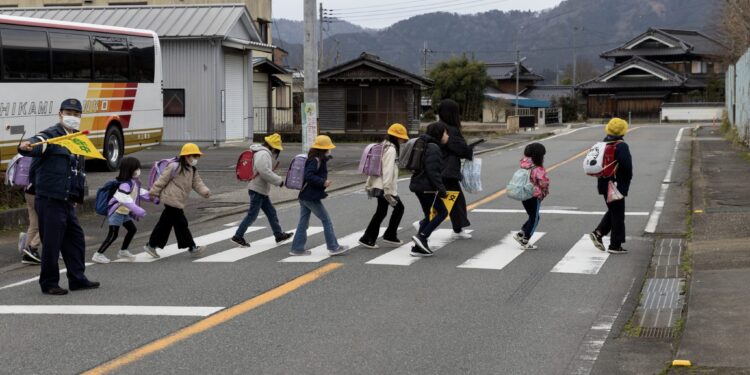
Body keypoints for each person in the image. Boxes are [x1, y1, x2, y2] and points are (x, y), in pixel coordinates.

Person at [17, 98, 99, 295]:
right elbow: (37, 145)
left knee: (76, 239)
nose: (72, 116)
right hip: (49, 198)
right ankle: (49, 283)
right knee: (52, 242)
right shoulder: (51, 135)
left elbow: (77, 171)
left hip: (67, 200)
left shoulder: (78, 139)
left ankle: (77, 279)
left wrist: (77, 196)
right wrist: (27, 146)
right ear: (60, 114)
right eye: (68, 112)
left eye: (76, 114)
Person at [144, 143, 211, 258]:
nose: (195, 159)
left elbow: (197, 183)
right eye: (194, 156)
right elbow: (162, 181)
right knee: (181, 224)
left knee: (165, 225)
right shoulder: (174, 166)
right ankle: (192, 247)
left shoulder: (192, 170)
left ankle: (151, 245)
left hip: (178, 201)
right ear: (186, 156)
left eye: (197, 156)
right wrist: (153, 192)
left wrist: (205, 191)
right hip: (171, 199)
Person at [289, 135, 349, 256]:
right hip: (310, 196)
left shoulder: (316, 159)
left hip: (304, 195)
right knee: (326, 220)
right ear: (323, 149)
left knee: (303, 222)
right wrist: (323, 182)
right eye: (328, 148)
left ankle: (297, 248)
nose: (330, 150)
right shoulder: (315, 160)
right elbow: (308, 176)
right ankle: (333, 247)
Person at [231, 133, 293, 247]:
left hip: (260, 189)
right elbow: (264, 171)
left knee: (271, 212)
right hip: (257, 189)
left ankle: (279, 235)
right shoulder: (263, 153)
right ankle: (238, 236)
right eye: (277, 149)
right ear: (273, 146)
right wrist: (279, 181)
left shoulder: (261, 152)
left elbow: (264, 171)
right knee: (252, 215)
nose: (276, 151)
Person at [358, 123, 410, 248]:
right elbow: (387, 170)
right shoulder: (391, 149)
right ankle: (388, 235)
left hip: (378, 185)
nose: (403, 140)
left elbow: (375, 167)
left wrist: (369, 184)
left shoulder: (382, 146)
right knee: (399, 208)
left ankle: (369, 237)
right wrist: (387, 190)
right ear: (397, 137)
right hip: (385, 188)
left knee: (381, 212)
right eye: (402, 138)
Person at [92, 157, 150, 264]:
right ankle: (98, 254)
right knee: (113, 235)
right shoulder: (124, 184)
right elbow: (125, 199)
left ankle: (123, 251)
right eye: (136, 168)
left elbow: (139, 193)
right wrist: (138, 210)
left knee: (132, 230)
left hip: (124, 212)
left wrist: (153, 196)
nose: (139, 170)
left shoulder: (133, 182)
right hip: (116, 212)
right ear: (130, 169)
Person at [590, 118, 633, 254]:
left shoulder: (603, 143)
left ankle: (599, 232)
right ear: (623, 131)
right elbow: (627, 167)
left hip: (603, 182)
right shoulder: (621, 146)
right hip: (615, 185)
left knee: (614, 211)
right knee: (618, 214)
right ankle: (615, 245)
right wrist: (625, 184)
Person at [409, 122, 450, 257]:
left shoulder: (424, 143)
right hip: (427, 187)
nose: (447, 136)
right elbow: (433, 172)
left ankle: (418, 247)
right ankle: (422, 236)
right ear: (439, 134)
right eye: (445, 133)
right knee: (443, 212)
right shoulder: (433, 148)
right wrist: (442, 190)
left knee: (429, 215)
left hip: (418, 185)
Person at [437, 99, 475, 240]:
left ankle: (456, 228)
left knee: (442, 199)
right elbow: (461, 149)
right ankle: (456, 229)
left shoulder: (436, 127)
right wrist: (469, 150)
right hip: (448, 170)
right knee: (456, 200)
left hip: (434, 168)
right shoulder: (451, 129)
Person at [513, 143, 550, 250]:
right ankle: (525, 239)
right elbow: (543, 182)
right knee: (535, 218)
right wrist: (545, 191)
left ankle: (521, 233)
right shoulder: (538, 168)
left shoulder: (524, 164)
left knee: (532, 215)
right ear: (539, 155)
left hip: (523, 193)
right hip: (534, 195)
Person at [20, 179, 42, 265]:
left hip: (29, 190)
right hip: (39, 192)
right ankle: (32, 246)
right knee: (51, 222)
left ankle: (27, 254)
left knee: (34, 224)